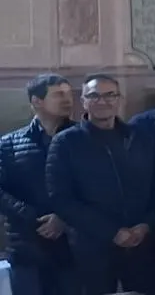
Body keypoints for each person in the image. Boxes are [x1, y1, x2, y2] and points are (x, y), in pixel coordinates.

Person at [49, 74, 155, 295]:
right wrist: (111, 232)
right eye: (94, 96)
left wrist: (147, 225)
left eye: (110, 95)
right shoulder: (66, 142)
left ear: (119, 99)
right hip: (92, 247)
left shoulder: (141, 137)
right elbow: (61, 198)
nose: (102, 101)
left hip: (141, 243)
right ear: (83, 101)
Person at [1, 74, 77, 295]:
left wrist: (63, 217)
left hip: (73, 247)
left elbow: (96, 185)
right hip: (26, 245)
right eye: (58, 94)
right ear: (37, 101)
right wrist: (30, 215)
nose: (67, 99)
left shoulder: (83, 138)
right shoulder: (9, 144)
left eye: (68, 93)